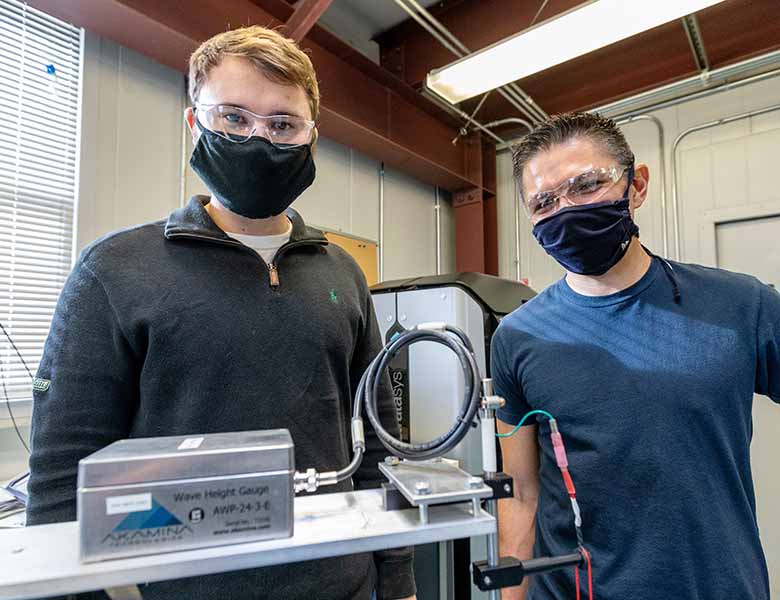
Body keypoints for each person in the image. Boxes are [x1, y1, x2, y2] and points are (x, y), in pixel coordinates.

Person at [26, 25, 416, 600]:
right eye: (233, 118)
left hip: (340, 584)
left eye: (282, 124)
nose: (258, 139)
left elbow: (379, 442)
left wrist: (399, 579)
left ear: (310, 139)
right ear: (195, 123)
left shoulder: (344, 275)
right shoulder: (113, 271)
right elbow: (64, 476)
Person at [492, 112, 779, 600]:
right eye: (544, 202)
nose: (566, 210)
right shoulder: (517, 337)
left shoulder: (741, 305)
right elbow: (521, 494)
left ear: (637, 185)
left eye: (587, 185)